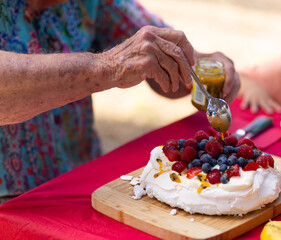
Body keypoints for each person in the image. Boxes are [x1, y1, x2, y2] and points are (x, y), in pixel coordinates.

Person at [0, 0, 240, 203]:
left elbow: (158, 55)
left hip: (82, 182)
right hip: (8, 199)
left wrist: (203, 65)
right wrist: (110, 66)